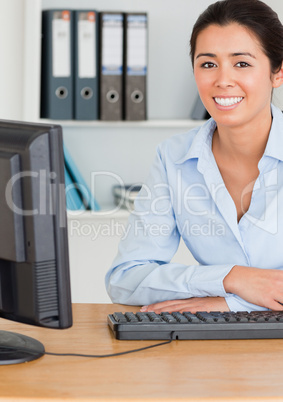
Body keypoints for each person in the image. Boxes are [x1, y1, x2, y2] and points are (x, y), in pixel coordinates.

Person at [105, 0, 283, 314]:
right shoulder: (173, 157)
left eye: (241, 63)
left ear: (277, 72)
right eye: (208, 64)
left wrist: (227, 303)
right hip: (212, 350)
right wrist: (230, 278)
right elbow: (125, 278)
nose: (222, 80)